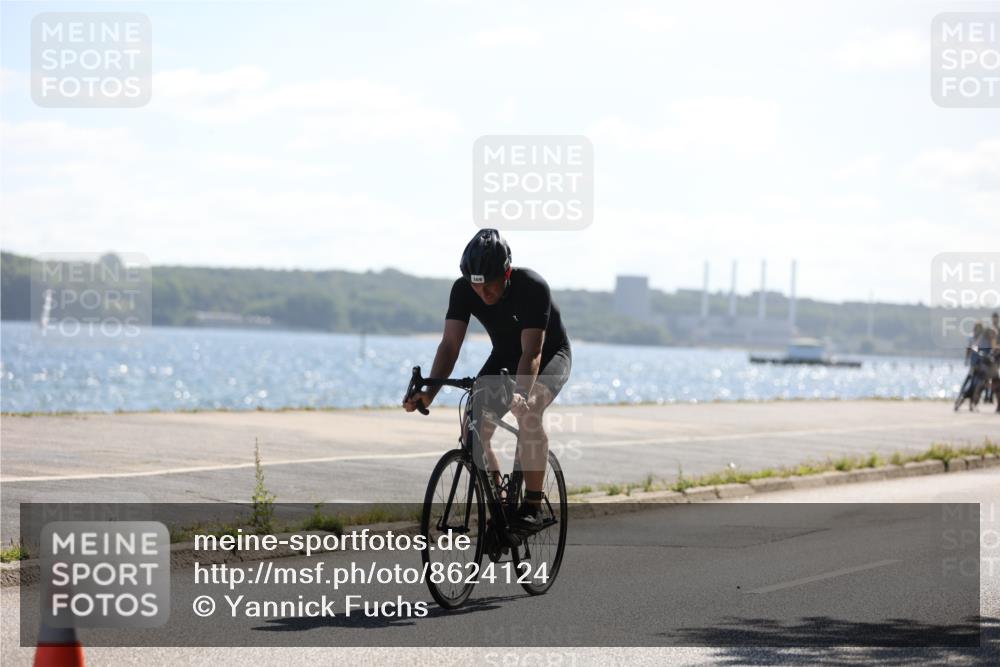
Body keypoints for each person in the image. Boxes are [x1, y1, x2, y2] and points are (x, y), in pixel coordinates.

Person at [403, 228, 572, 531]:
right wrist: (429, 392)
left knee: (530, 410)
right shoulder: (463, 289)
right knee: (474, 425)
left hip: (548, 357)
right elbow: (450, 345)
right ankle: (500, 504)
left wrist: (521, 394)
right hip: (506, 354)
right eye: (476, 286)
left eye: (490, 285)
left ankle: (532, 506)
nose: (483, 294)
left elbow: (532, 352)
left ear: (506, 272)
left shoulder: (532, 287)